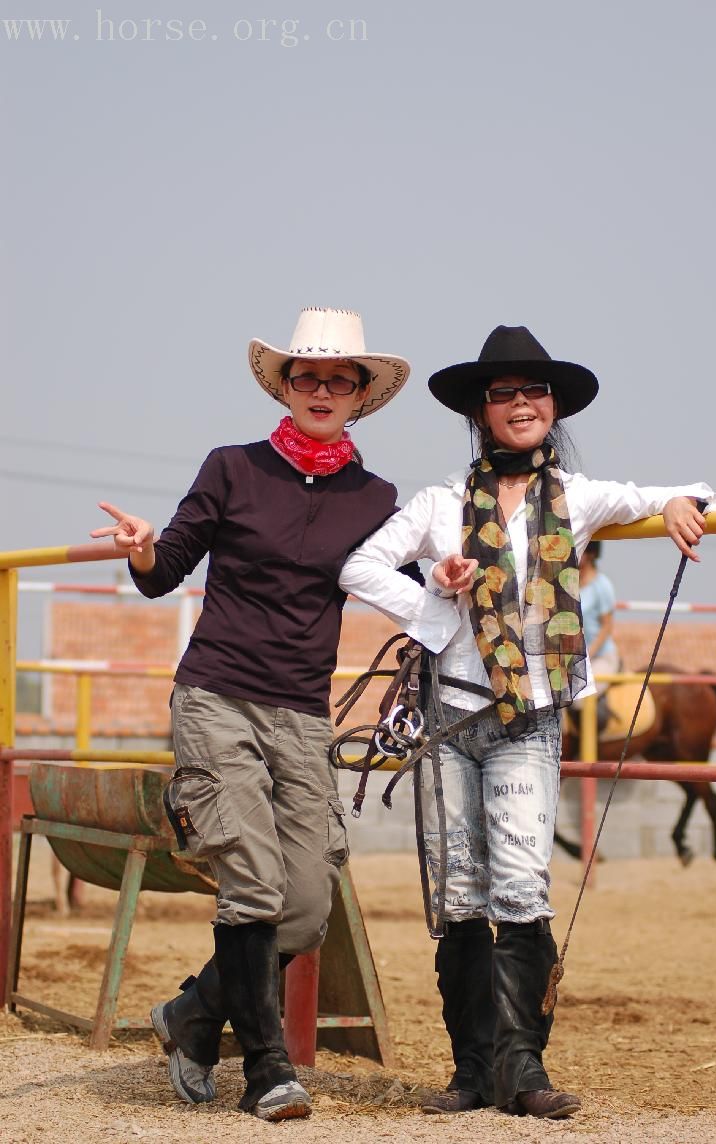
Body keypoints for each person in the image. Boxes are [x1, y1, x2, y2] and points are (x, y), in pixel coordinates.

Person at [338, 325, 716, 1120]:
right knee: (459, 895)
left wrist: (685, 503)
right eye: (504, 393)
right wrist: (436, 602)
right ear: (480, 410)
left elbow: (672, 493)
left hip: (528, 720)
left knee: (519, 885)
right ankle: (472, 1072)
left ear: (553, 407)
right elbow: (359, 565)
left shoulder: (579, 500)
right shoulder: (441, 502)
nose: (521, 404)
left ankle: (523, 1070)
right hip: (449, 718)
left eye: (534, 392)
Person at [90, 307, 410, 1121]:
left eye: (342, 379)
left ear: (362, 396)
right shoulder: (231, 467)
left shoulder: (377, 497)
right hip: (219, 695)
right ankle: (268, 1070)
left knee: (306, 904)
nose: (324, 390)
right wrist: (140, 549)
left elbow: (408, 575)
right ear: (286, 385)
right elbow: (166, 572)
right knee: (254, 887)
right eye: (308, 376)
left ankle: (193, 1015)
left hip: (303, 713)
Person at [578, 541, 621, 691]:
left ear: (591, 553)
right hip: (575, 659)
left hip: (601, 657)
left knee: (583, 694)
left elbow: (607, 626)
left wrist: (588, 653)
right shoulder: (568, 584)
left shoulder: (602, 585)